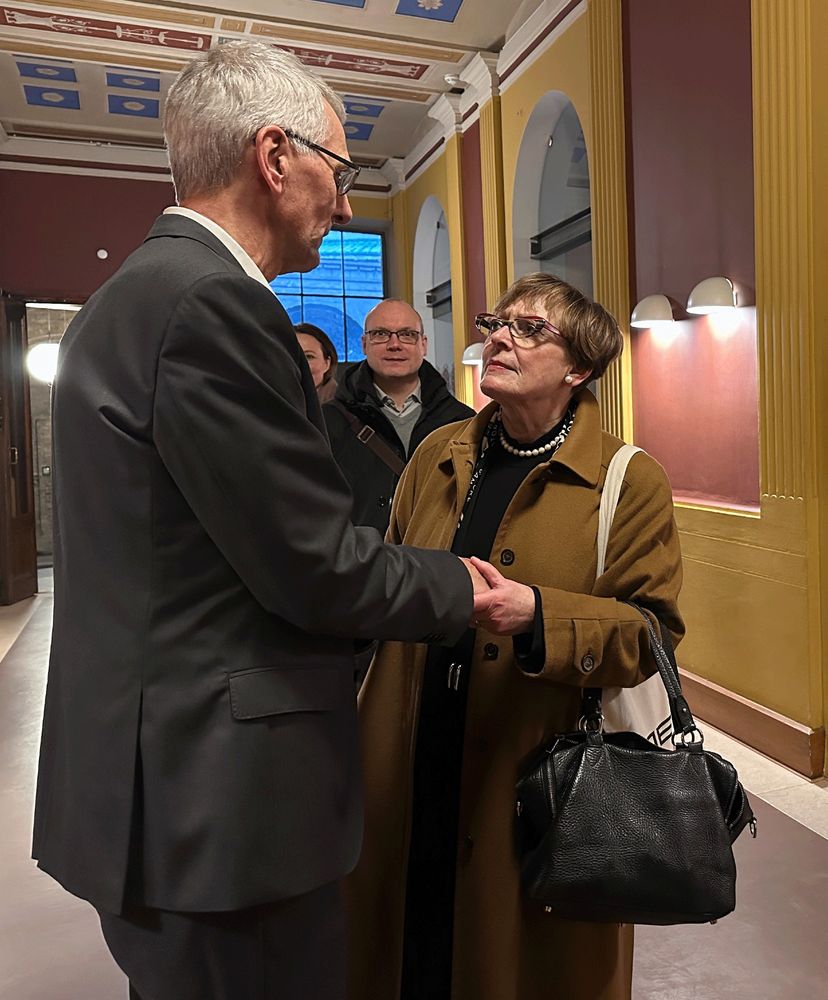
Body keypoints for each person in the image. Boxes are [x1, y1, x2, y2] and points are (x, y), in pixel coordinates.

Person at [31, 41, 491, 1000]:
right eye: (342, 169)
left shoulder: (133, 298)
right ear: (275, 158)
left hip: (157, 782)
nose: (349, 203)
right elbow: (316, 567)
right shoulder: (216, 305)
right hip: (223, 801)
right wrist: (465, 584)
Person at [345, 273, 685, 1000]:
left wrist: (540, 615)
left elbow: (650, 633)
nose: (499, 336)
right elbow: (390, 579)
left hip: (531, 769)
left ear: (580, 368)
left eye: (530, 329)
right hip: (409, 752)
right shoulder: (437, 455)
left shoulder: (628, 480)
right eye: (498, 321)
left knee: (511, 961)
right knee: (405, 948)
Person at [324, 298, 474, 533]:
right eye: (381, 334)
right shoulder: (328, 421)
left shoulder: (462, 422)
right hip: (359, 562)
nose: (395, 344)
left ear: (423, 345)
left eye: (407, 334)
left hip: (437, 561)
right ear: (364, 344)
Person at [296, 321, 339, 403]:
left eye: (309, 357)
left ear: (327, 363)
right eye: (291, 355)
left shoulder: (344, 408)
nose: (299, 364)